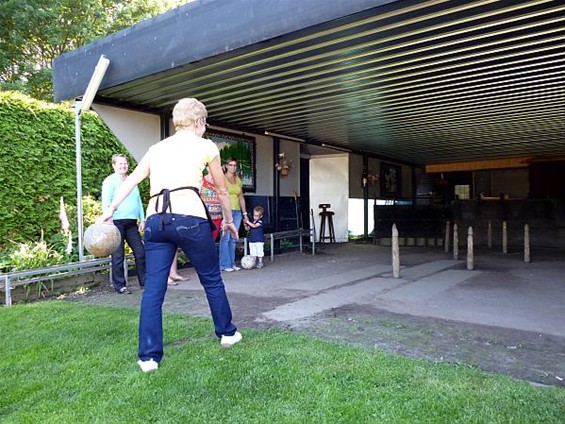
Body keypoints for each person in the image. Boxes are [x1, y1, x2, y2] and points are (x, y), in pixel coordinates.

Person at [98, 98, 242, 373]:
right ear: (199, 122)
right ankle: (226, 333)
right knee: (211, 279)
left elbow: (132, 180)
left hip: (155, 221)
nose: (205, 127)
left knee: (154, 288)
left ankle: (149, 358)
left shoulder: (157, 148)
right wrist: (227, 221)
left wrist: (111, 210)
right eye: (205, 123)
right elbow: (222, 190)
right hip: (189, 217)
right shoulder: (206, 145)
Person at [101, 154, 146, 294]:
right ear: (114, 165)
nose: (123, 166)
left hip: (132, 223)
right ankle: (120, 285)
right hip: (116, 223)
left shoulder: (132, 181)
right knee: (118, 255)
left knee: (141, 252)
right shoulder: (109, 181)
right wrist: (109, 221)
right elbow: (106, 202)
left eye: (125, 163)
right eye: (120, 164)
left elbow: (138, 201)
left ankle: (145, 283)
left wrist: (142, 219)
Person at [219, 157, 248, 272]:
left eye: (235, 165)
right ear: (226, 166)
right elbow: (220, 195)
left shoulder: (238, 180)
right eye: (231, 165)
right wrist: (223, 214)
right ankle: (224, 265)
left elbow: (241, 198)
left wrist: (245, 214)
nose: (233, 167)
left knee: (233, 238)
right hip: (226, 210)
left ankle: (232, 263)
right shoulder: (222, 178)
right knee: (225, 238)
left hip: (237, 212)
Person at [200, 168, 223, 241]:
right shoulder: (201, 181)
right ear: (208, 169)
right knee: (202, 241)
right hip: (204, 218)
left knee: (212, 241)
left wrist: (225, 219)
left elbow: (224, 200)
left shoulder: (220, 182)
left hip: (217, 218)